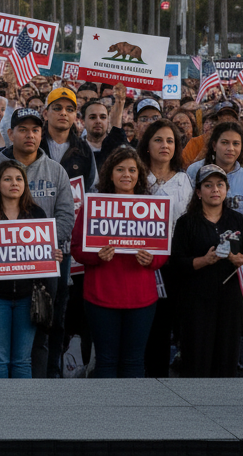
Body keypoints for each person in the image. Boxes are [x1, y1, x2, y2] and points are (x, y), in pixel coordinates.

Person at [0, 108, 74, 378]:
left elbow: (66, 215)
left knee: (35, 345)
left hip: (40, 278)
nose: (30, 135)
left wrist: (46, 246)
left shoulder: (56, 171)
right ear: (10, 133)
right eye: (23, 129)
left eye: (35, 130)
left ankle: (34, 396)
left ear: (42, 134)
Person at [70, 147, 166, 377]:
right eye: (120, 169)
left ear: (139, 175)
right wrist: (96, 256)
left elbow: (163, 251)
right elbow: (76, 249)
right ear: (110, 174)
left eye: (132, 170)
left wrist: (153, 259)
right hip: (101, 296)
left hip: (141, 298)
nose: (126, 175)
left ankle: (131, 403)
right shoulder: (93, 206)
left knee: (134, 362)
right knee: (106, 361)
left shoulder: (152, 207)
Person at [171, 164, 243, 377]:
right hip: (196, 303)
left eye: (220, 185)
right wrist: (204, 260)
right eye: (208, 185)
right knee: (196, 361)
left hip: (231, 302)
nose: (215, 190)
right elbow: (176, 264)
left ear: (227, 189)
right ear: (199, 192)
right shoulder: (186, 222)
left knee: (226, 361)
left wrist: (240, 260)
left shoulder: (239, 221)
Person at [138, 118, 193, 377]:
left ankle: (161, 378)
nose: (165, 145)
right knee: (145, 326)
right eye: (158, 140)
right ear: (147, 145)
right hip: (141, 262)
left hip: (175, 265)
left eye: (170, 141)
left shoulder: (184, 180)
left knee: (168, 324)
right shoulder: (136, 178)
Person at [187, 120, 243, 217]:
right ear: (214, 145)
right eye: (225, 143)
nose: (230, 148)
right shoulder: (195, 170)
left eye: (236, 144)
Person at [42, 87, 96, 189]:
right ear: (45, 114)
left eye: (70, 110)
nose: (63, 113)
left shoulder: (84, 150)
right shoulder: (33, 145)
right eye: (57, 108)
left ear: (75, 116)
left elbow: (91, 187)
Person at [81, 91, 127, 172]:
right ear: (83, 121)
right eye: (92, 117)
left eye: (103, 117)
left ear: (108, 121)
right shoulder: (76, 149)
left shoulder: (118, 148)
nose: (98, 121)